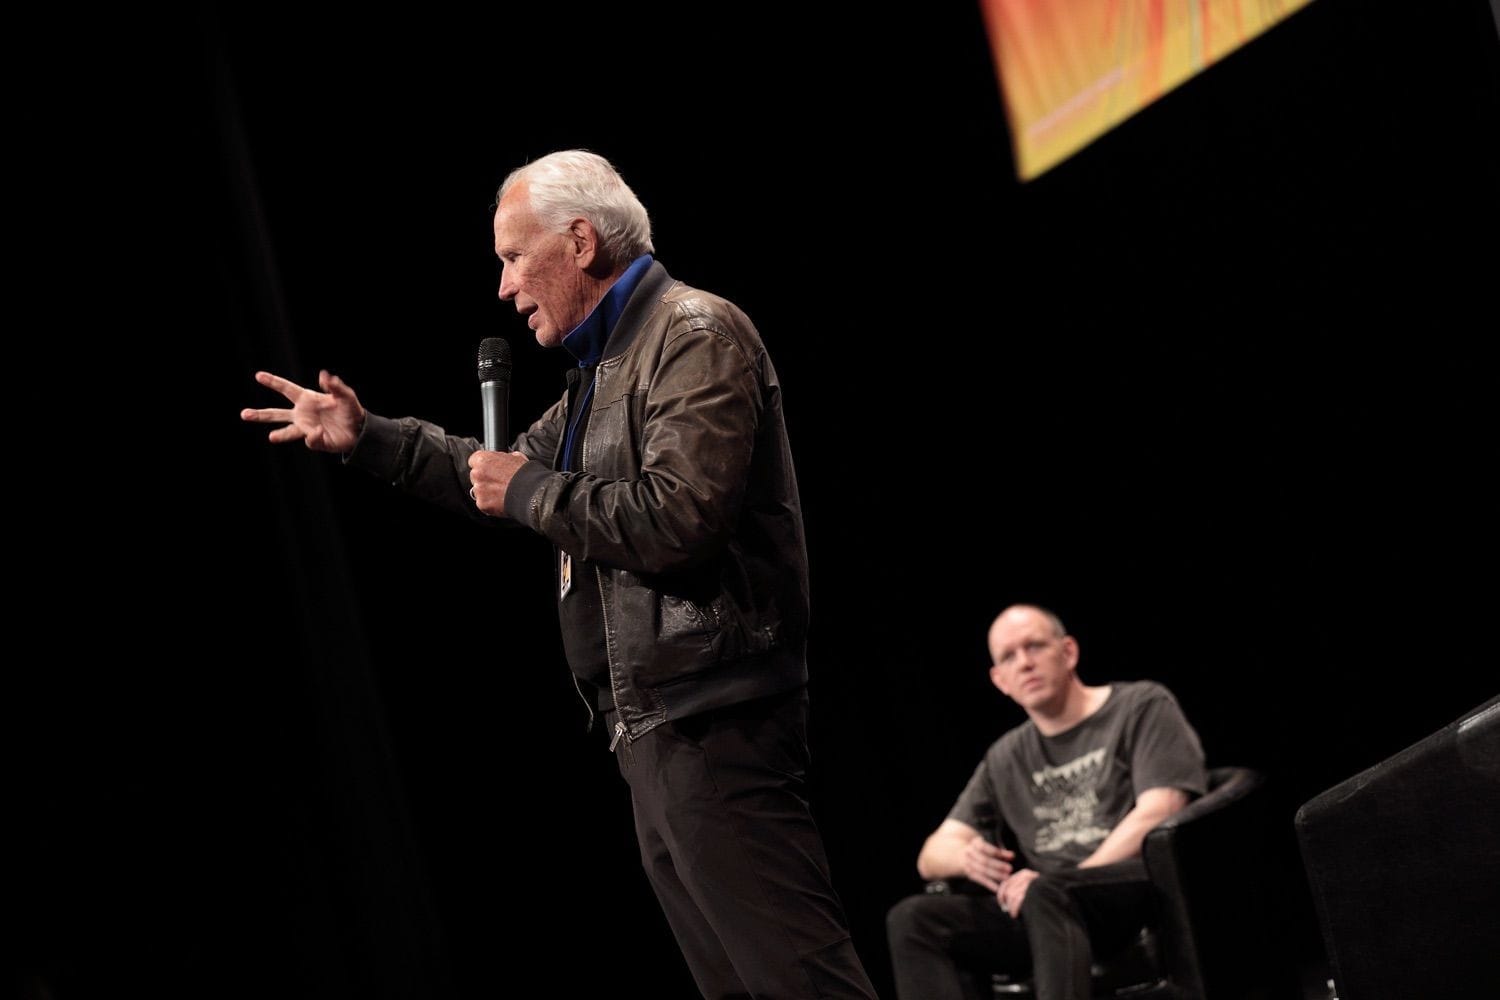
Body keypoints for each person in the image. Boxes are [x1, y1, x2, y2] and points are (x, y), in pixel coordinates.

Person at [241, 149, 877, 999]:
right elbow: (490, 473)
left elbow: (678, 517)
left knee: (801, 983)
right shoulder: (599, 377)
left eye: (512, 256)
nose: (504, 286)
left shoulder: (692, 334)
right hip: (651, 725)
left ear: (579, 240)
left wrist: (532, 489)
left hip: (714, 715)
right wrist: (370, 440)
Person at [885, 604, 1206, 1000]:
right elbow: (930, 855)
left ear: (1068, 652)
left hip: (1133, 891)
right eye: (1009, 657)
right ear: (999, 680)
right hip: (1046, 908)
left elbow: (1162, 810)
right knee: (913, 919)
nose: (1024, 663)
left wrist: (1062, 881)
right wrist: (966, 857)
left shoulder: (1140, 706)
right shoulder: (1006, 755)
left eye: (1034, 646)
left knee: (1045, 894)